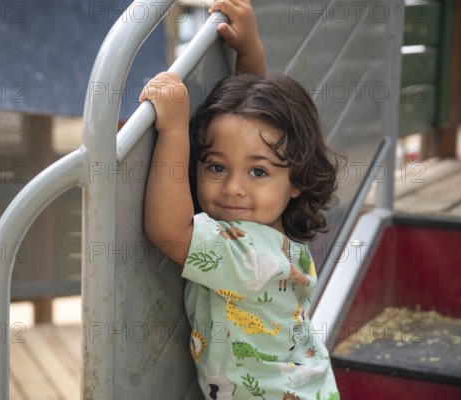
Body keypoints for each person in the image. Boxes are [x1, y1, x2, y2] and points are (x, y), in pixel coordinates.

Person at [141, 1, 341, 398]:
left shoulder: (248, 253)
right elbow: (247, 128)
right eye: (215, 167)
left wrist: (174, 131)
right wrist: (249, 52)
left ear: (297, 178)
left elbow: (168, 230)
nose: (234, 188)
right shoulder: (271, 231)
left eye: (258, 173)